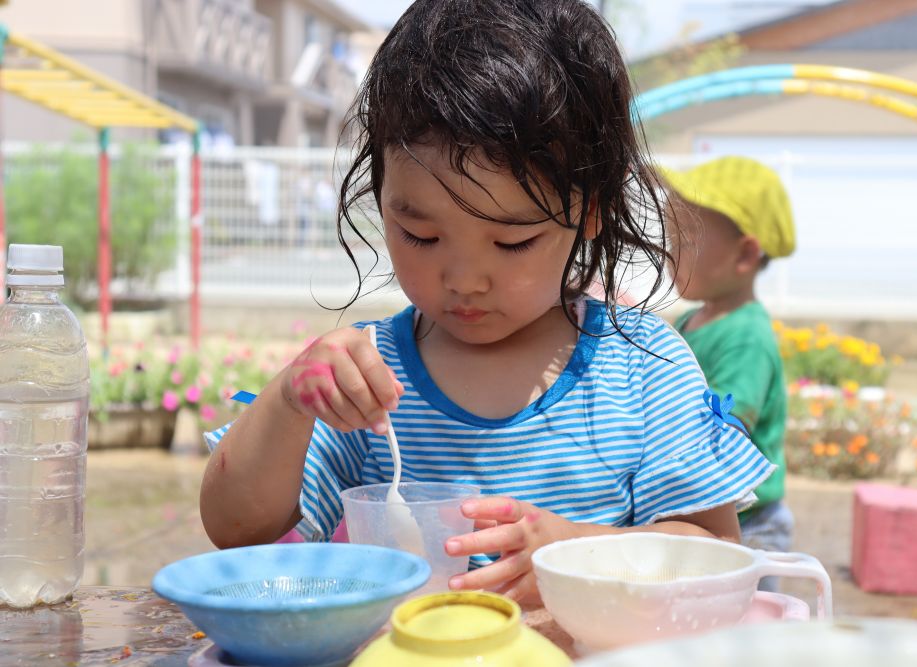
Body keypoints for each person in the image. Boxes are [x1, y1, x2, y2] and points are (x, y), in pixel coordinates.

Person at [200, 0, 774, 605]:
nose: (465, 279)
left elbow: (714, 553)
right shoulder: (370, 381)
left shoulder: (642, 372)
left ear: (591, 214)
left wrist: (571, 552)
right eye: (420, 234)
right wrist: (290, 399)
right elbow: (237, 531)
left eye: (512, 240)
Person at [663, 156, 796, 589]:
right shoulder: (695, 319)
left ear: (745, 255)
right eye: (668, 236)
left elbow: (729, 425)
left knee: (746, 625)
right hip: (715, 511)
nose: (668, 251)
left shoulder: (746, 337)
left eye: (684, 241)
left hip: (749, 525)